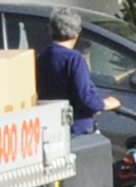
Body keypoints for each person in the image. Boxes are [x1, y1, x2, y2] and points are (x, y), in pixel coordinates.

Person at [36, 7, 123, 135]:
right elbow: (84, 97)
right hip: (77, 129)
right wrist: (104, 104)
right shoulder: (74, 58)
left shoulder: (42, 57)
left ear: (51, 30)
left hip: (52, 126)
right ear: (76, 33)